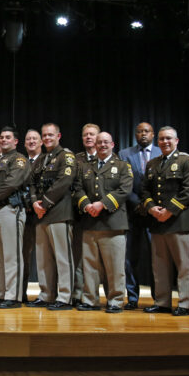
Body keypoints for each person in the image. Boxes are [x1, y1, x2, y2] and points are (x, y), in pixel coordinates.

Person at [139, 126, 189, 316]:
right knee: (159, 266)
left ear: (177, 141)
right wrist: (151, 208)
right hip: (157, 222)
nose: (165, 142)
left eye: (168, 139)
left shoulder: (187, 160)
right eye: (162, 139)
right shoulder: (153, 163)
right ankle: (162, 302)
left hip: (179, 222)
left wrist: (170, 210)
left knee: (183, 266)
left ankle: (184, 303)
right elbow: (145, 190)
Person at [73, 132, 132, 313]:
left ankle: (115, 301)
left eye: (106, 142)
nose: (102, 145)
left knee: (114, 267)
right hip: (90, 222)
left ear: (113, 144)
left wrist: (102, 204)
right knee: (90, 266)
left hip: (112, 224)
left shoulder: (122, 166)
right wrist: (86, 204)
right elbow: (77, 188)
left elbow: (125, 189)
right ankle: (90, 299)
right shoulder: (85, 166)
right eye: (99, 143)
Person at [27, 123, 78, 310]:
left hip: (59, 213)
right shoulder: (40, 159)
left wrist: (45, 203)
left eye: (50, 135)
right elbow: (31, 182)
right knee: (43, 259)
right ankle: (46, 294)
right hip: (41, 214)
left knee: (63, 258)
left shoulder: (66, 156)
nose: (47, 138)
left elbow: (64, 181)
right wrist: (34, 202)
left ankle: (65, 297)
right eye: (45, 135)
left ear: (58, 136)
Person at [0, 126, 31, 309]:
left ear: (15, 141)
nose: (3, 140)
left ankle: (14, 296)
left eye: (7, 137)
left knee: (12, 255)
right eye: (1, 137)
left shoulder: (19, 159)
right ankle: (1, 293)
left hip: (11, 208)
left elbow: (12, 183)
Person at [117, 122, 155, 309]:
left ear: (152, 134)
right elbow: (124, 183)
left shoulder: (159, 152)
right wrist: (138, 204)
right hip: (132, 213)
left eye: (146, 131)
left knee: (157, 258)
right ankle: (132, 298)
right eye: (139, 131)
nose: (143, 134)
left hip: (156, 214)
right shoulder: (125, 154)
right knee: (130, 258)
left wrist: (150, 206)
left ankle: (159, 297)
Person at [71, 123, 100, 305]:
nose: (88, 137)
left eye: (92, 134)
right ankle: (78, 294)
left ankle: (93, 295)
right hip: (80, 214)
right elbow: (73, 186)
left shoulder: (109, 158)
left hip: (103, 216)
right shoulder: (76, 159)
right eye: (85, 135)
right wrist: (86, 205)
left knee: (97, 260)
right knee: (78, 257)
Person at [22, 129, 44, 301]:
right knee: (22, 256)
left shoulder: (48, 161)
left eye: (34, 139)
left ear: (41, 142)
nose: (31, 141)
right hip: (24, 216)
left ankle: (47, 294)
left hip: (43, 214)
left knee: (45, 257)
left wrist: (36, 204)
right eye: (28, 139)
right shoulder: (20, 162)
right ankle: (19, 293)